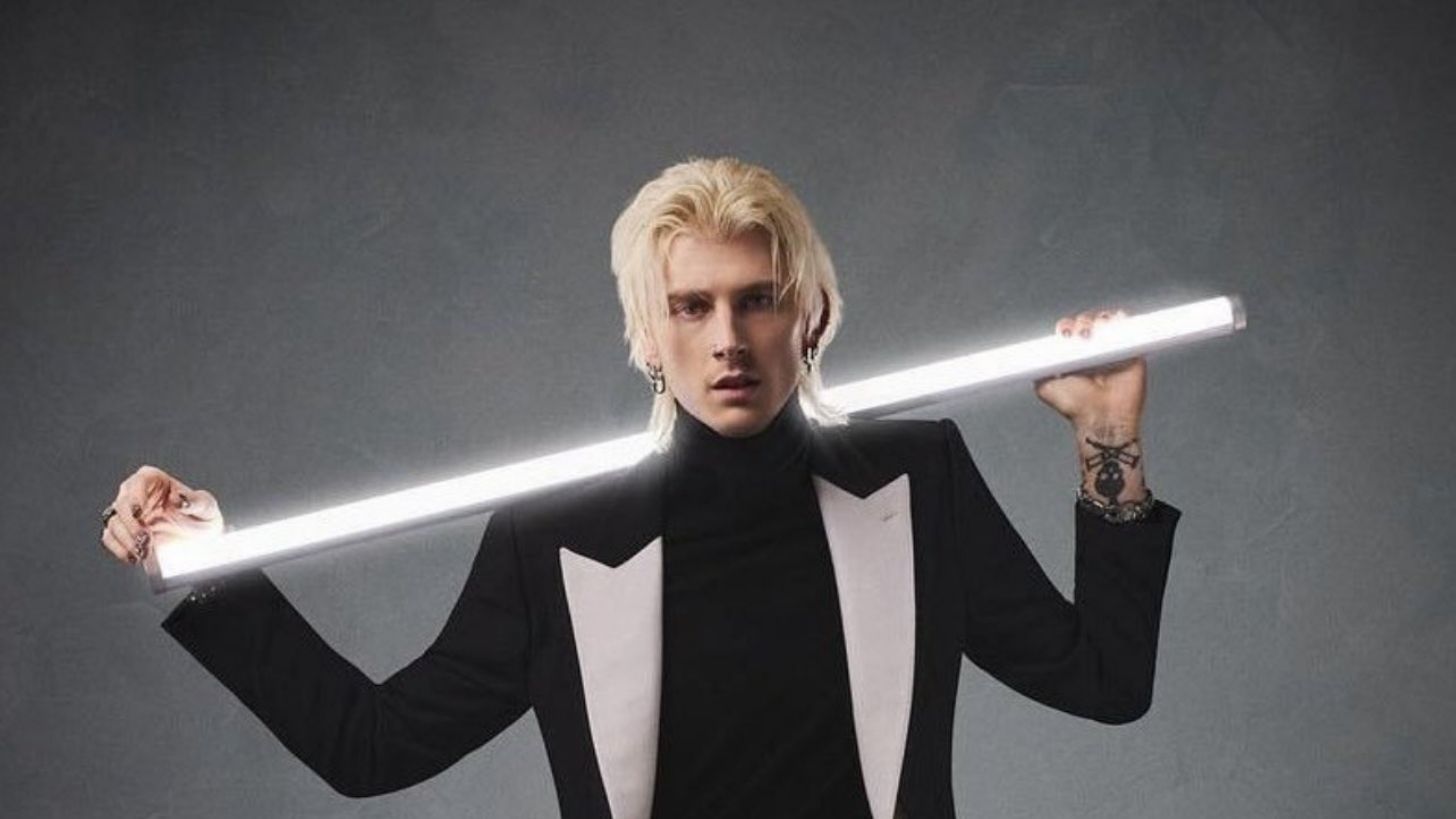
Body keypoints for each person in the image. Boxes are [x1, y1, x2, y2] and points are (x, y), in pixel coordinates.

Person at [100, 157, 1180, 819]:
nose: (727, 339)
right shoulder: (555, 535)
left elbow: (1103, 680)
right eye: (690, 307)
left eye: (757, 299)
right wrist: (214, 567)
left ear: (808, 318)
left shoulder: (916, 479)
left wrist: (1108, 438)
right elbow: (371, 747)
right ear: (648, 338)